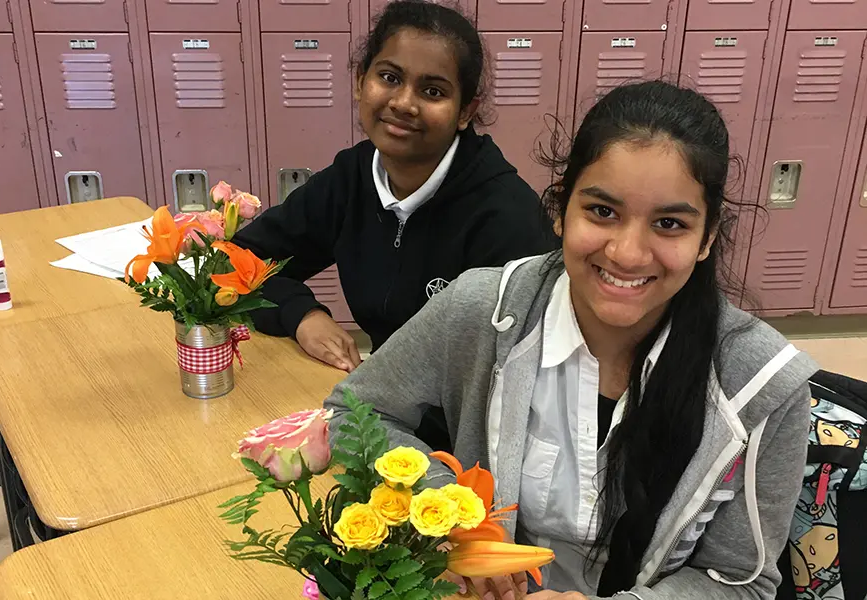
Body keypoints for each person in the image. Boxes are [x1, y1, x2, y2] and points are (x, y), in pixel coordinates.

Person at [325, 80, 818, 600]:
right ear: (560, 209)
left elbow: (741, 582)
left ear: (707, 238)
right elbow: (353, 412)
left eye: (669, 223)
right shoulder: (484, 310)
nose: (627, 253)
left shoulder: (760, 382)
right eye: (602, 212)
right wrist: (455, 519)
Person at [234, 0, 556, 374]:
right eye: (389, 77)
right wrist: (302, 314)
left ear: (465, 111)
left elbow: (511, 372)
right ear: (360, 81)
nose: (404, 103)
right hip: (382, 395)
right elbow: (241, 260)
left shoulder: (507, 218)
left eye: (433, 92)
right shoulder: (351, 177)